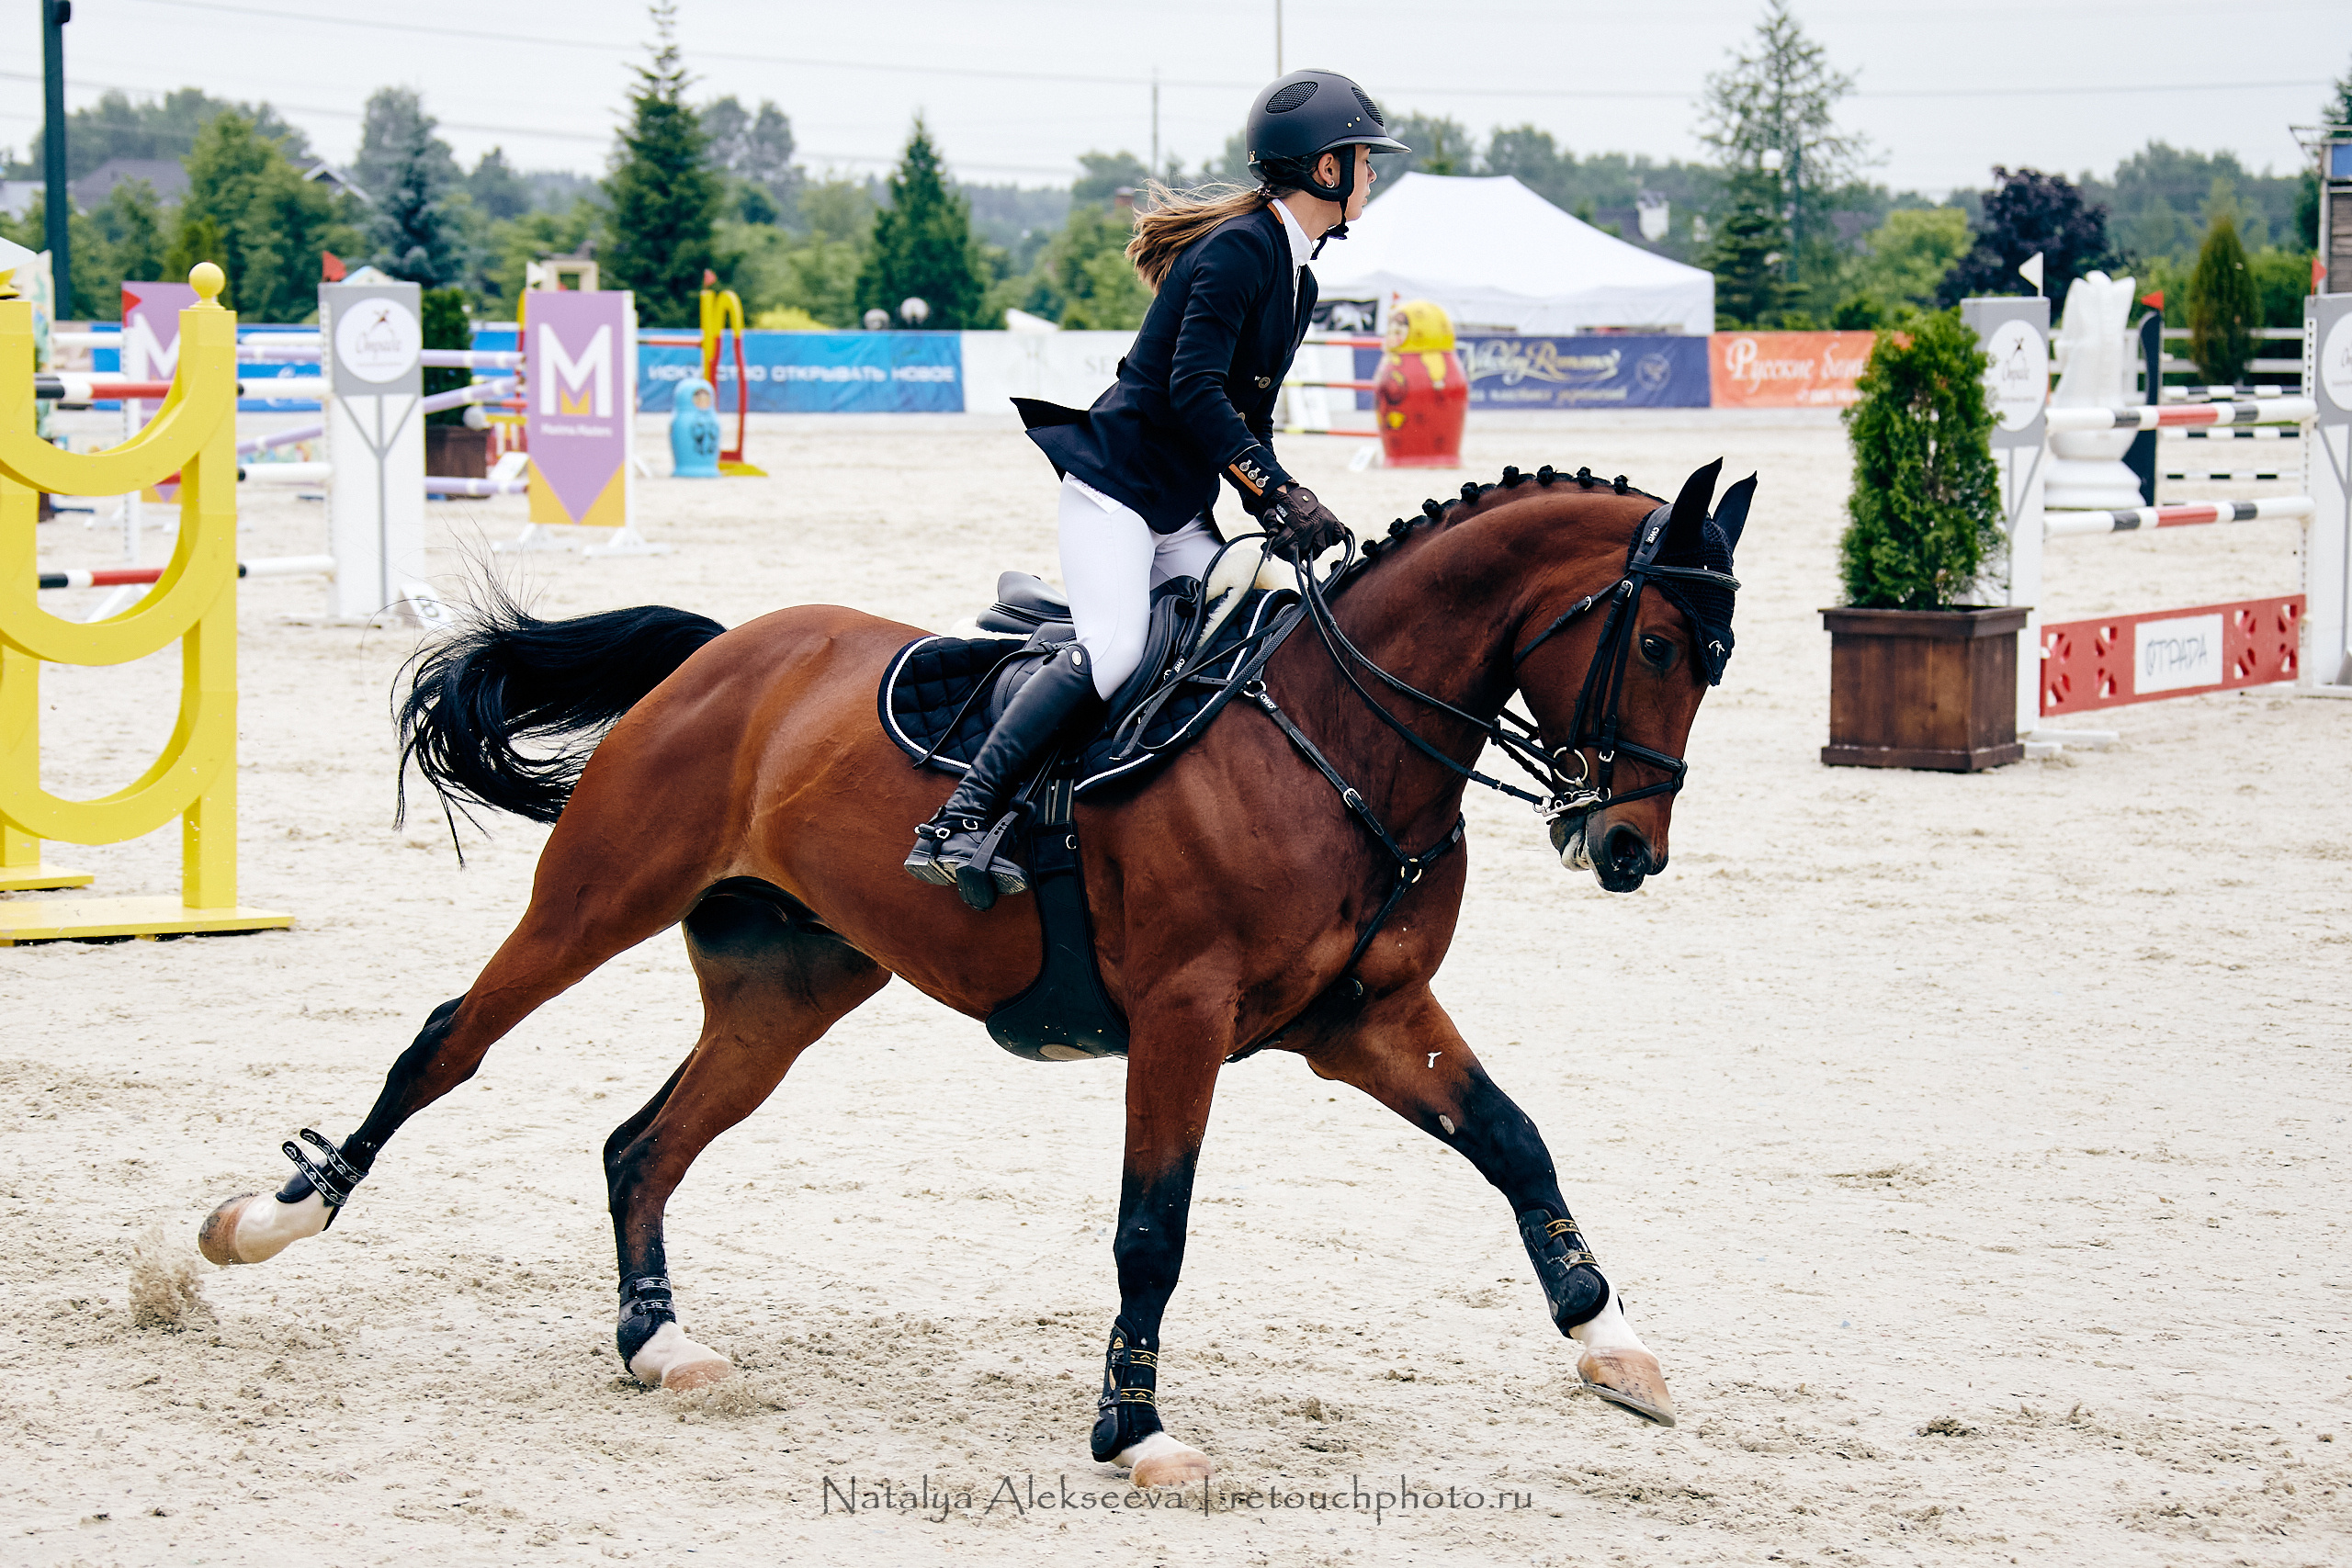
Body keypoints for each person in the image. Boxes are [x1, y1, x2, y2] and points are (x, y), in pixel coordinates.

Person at [905, 68, 1407, 908]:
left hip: (1175, 508)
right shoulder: (1241, 249)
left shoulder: (1297, 275)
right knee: (1116, 650)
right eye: (1364, 159)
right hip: (1115, 493)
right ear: (1326, 170)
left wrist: (1277, 502)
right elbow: (1193, 390)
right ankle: (962, 816)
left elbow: (1250, 412)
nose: (1372, 174)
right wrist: (1274, 486)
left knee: (1263, 616)